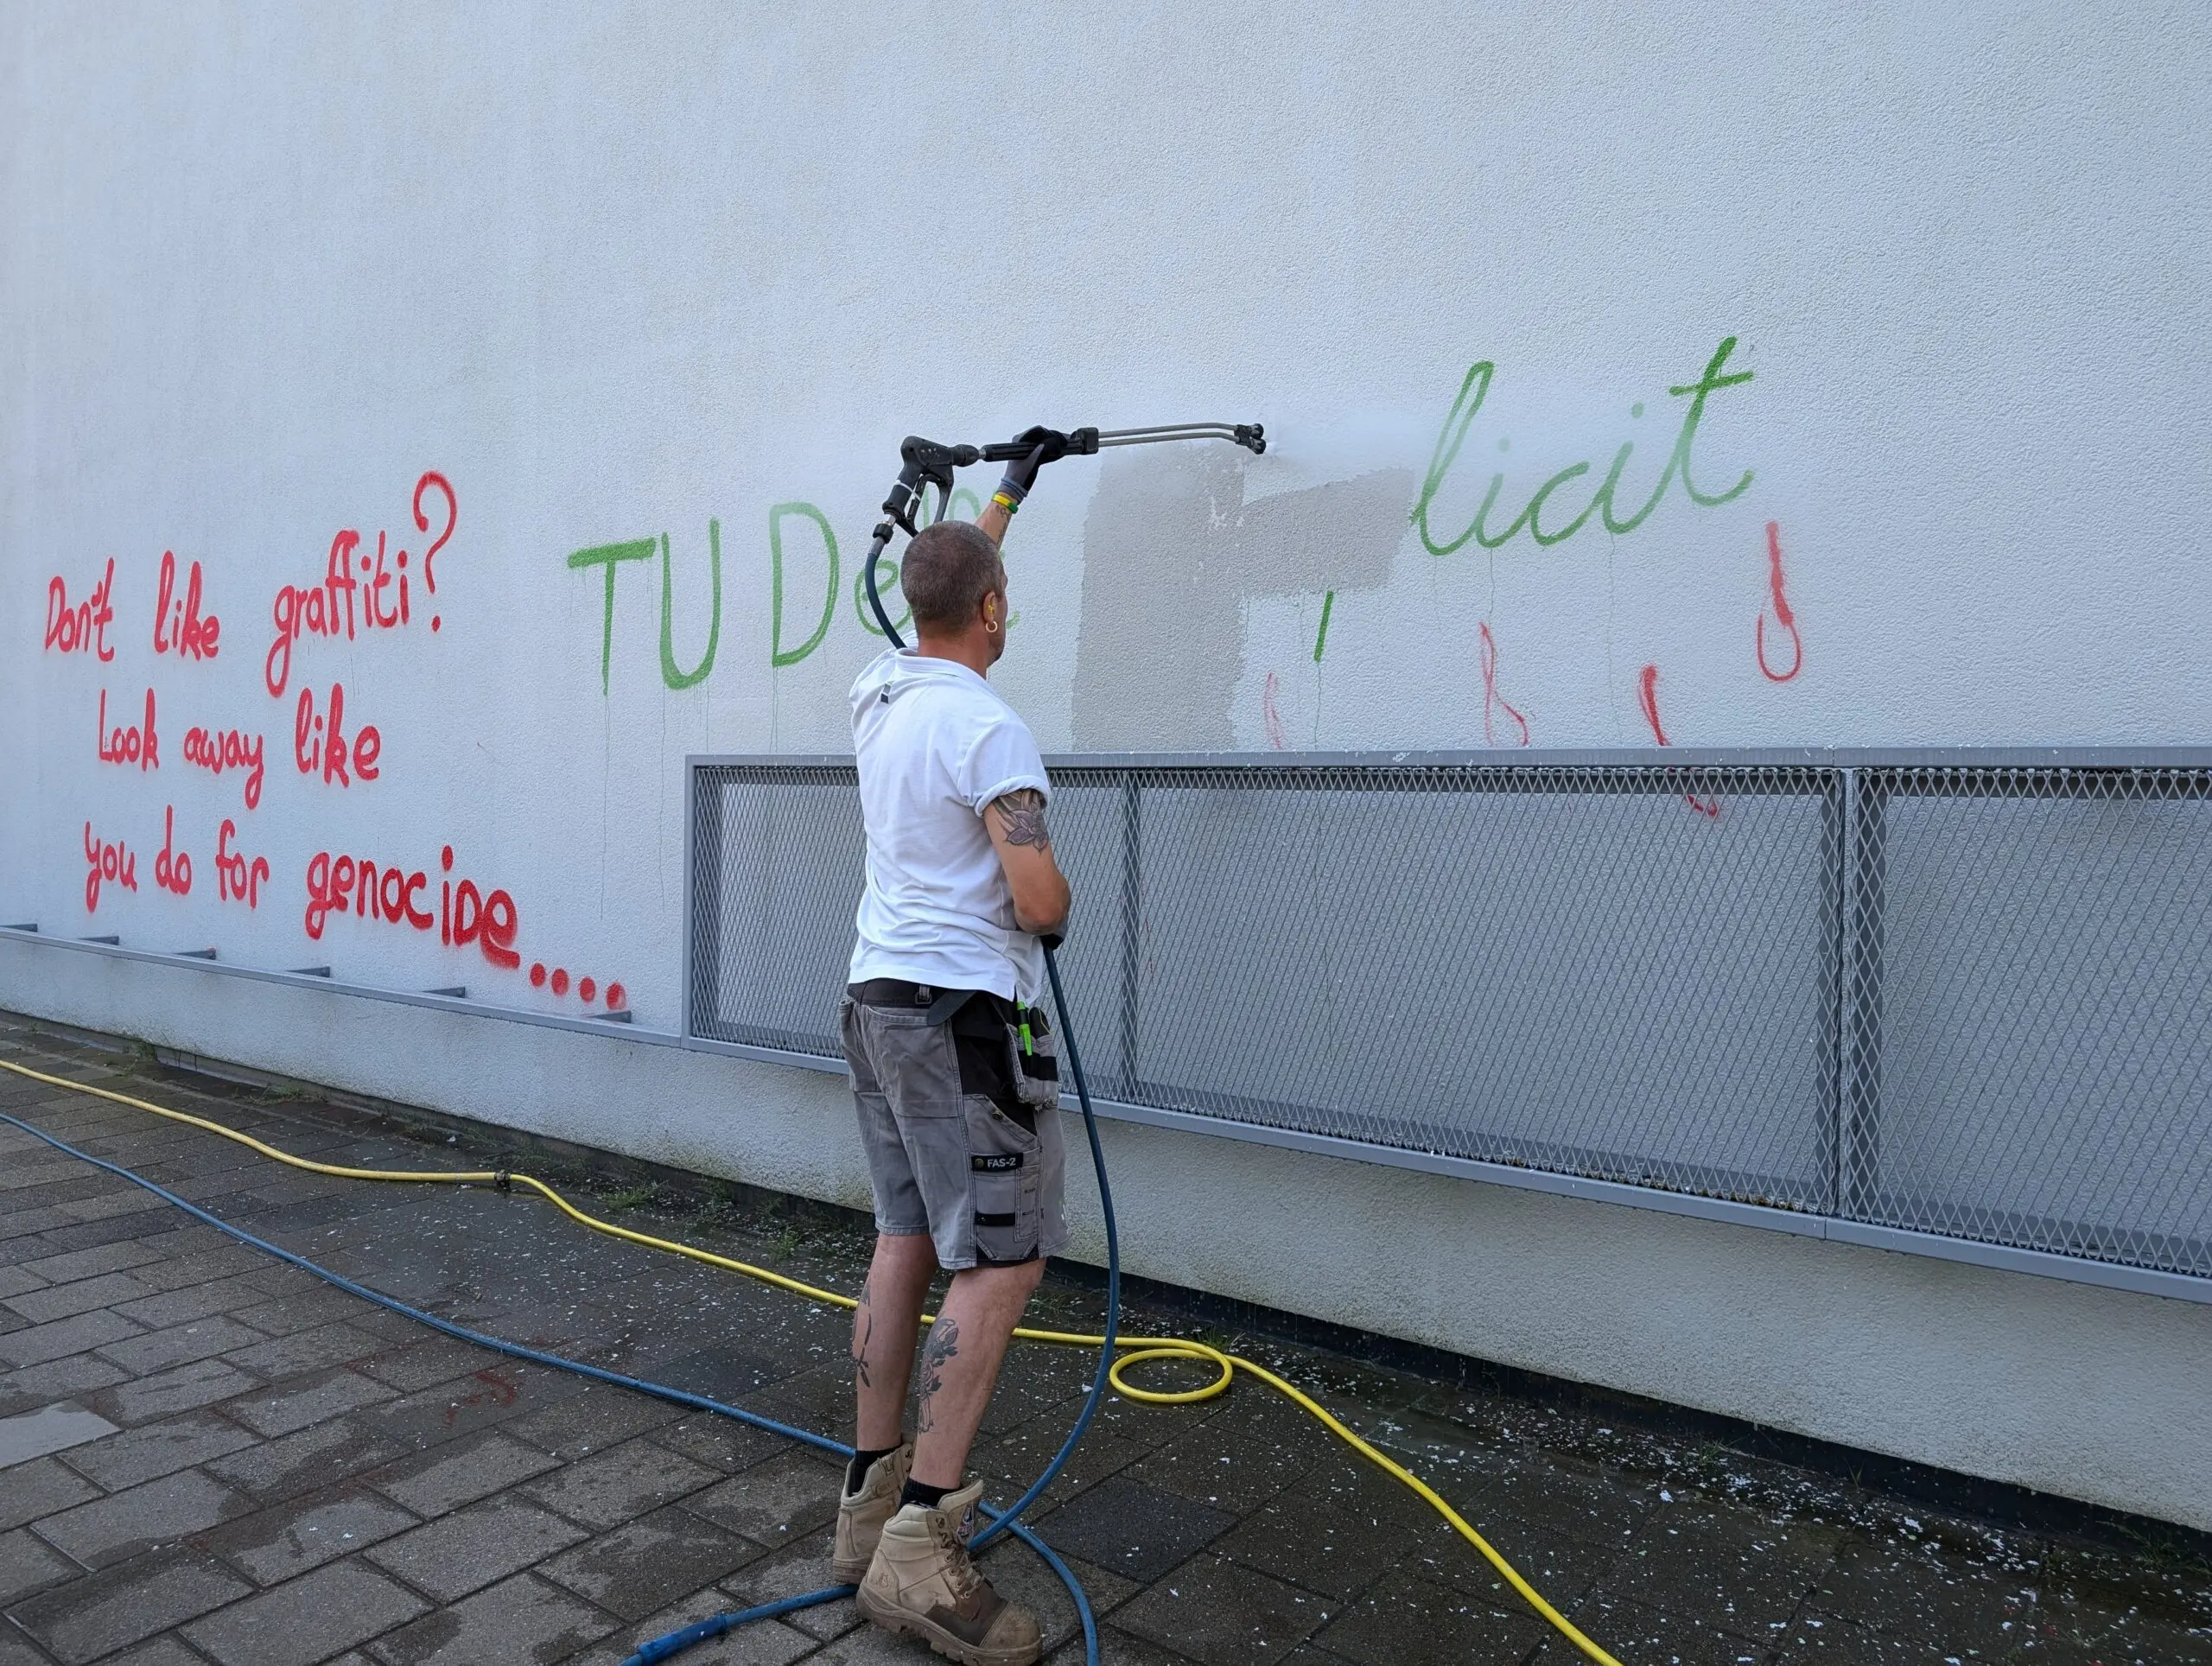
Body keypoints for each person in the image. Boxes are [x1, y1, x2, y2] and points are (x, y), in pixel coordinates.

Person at [835, 436, 1074, 1666]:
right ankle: (923, 1546)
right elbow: (1036, 899)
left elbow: (951, 582)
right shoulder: (993, 733)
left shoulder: (881, 693)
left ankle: (867, 1502)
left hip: (875, 1006)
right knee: (1002, 1263)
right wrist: (1059, 896)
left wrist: (1006, 498)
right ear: (993, 612)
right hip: (964, 1023)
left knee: (906, 1240)